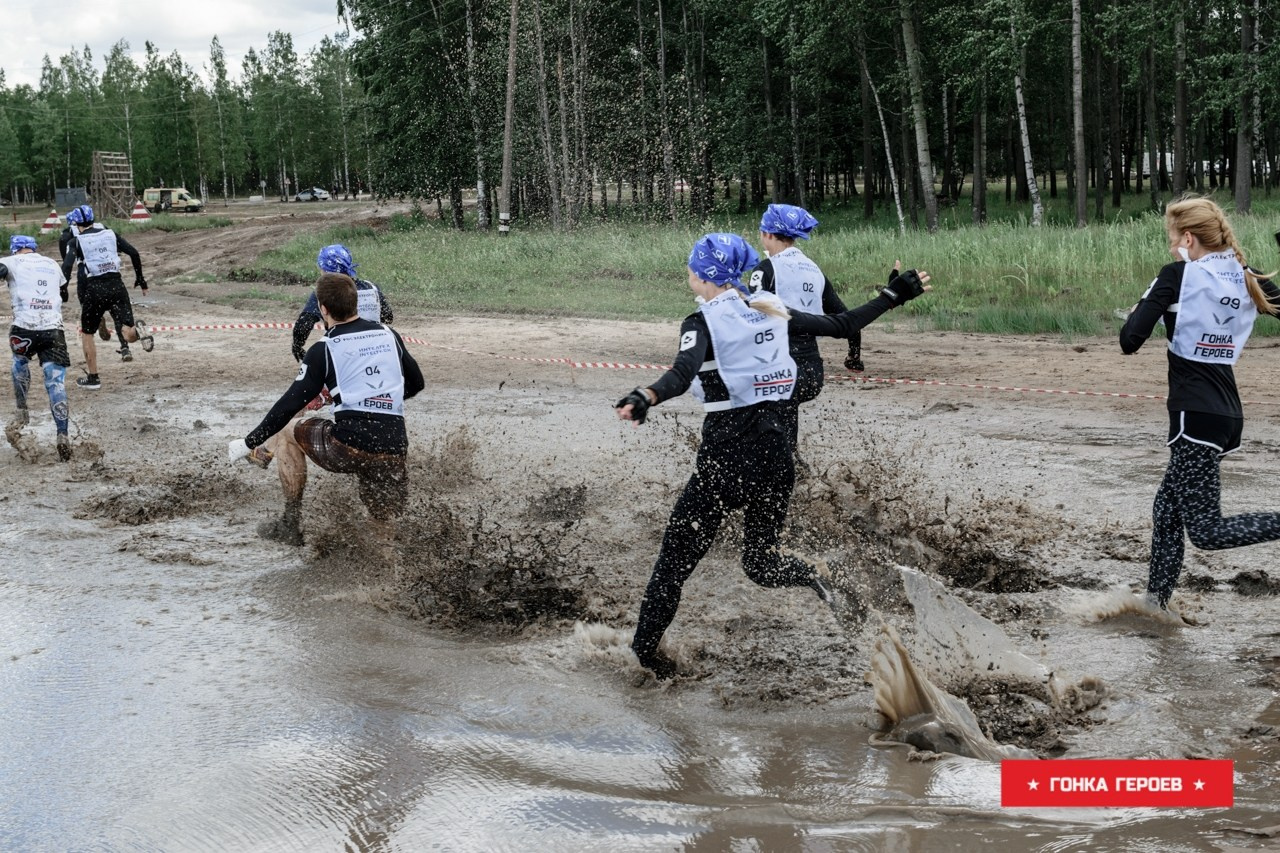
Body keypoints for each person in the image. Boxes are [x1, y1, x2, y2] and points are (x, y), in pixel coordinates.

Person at [615, 233, 931, 678]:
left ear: (703, 274)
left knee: (670, 568)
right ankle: (822, 579)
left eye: (690, 267)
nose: (687, 273)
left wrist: (646, 395)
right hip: (777, 460)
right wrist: (892, 295)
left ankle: (645, 664)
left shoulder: (700, 322)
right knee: (761, 562)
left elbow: (682, 373)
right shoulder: (771, 308)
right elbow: (842, 326)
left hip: (725, 464)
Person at [1119, 197, 1280, 611]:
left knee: (1207, 531)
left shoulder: (1177, 275)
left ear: (1188, 238)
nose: (1172, 248)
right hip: (1225, 415)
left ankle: (1156, 601)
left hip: (1195, 417)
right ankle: (1155, 605)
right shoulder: (1247, 276)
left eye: (1173, 240)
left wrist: (1144, 307)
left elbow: (1129, 340)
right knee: (1167, 509)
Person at [229, 272, 424, 547]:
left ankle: (290, 523)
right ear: (356, 302)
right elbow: (416, 384)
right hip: (393, 447)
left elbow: (289, 404)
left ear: (323, 309)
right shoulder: (389, 334)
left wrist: (248, 441)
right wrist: (378, 398)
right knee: (383, 524)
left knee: (286, 430)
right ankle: (386, 575)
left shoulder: (324, 348)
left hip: (346, 448)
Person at [750, 203, 868, 452]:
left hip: (780, 370)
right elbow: (847, 321)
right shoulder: (814, 270)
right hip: (812, 374)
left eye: (761, 232)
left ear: (768, 234)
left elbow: (752, 319)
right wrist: (853, 357)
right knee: (781, 417)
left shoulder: (765, 270)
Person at [59, 205, 153, 389]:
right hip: (117, 285)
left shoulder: (75, 241)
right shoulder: (110, 233)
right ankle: (139, 331)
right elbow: (134, 253)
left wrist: (62, 289)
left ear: (76, 223)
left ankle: (93, 378)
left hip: (95, 288)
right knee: (127, 330)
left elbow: (67, 267)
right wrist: (140, 278)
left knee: (87, 333)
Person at [3, 235, 73, 460]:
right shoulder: (52, 264)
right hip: (53, 330)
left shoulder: (10, 261)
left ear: (15, 250)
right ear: (34, 249)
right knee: (55, 382)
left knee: (20, 362)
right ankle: (62, 434)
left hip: (24, 328)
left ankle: (22, 409)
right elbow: (64, 293)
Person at [290, 245, 394, 362]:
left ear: (326, 270)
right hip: (376, 350)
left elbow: (305, 323)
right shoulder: (371, 287)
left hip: (344, 354)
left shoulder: (325, 292)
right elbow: (388, 317)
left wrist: (297, 344)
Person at [59, 206, 131, 362]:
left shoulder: (67, 235)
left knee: (88, 309)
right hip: (106, 273)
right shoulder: (102, 228)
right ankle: (125, 346)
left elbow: (66, 261)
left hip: (84, 273)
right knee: (117, 310)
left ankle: (97, 321)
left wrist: (63, 287)